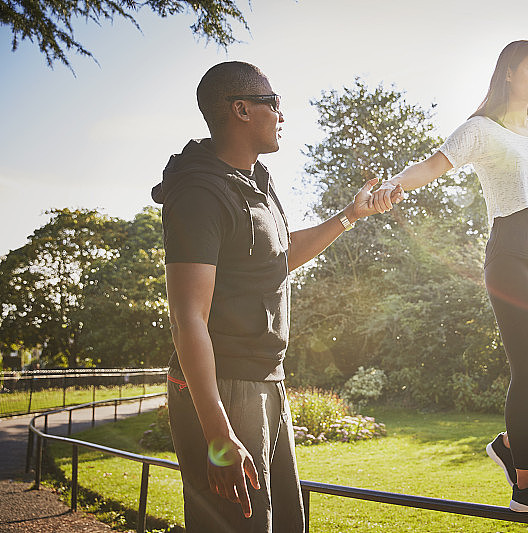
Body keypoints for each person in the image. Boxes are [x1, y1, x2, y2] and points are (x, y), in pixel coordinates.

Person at [151, 61, 402, 533]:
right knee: (239, 524)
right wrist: (219, 435)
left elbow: (279, 257)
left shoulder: (257, 182)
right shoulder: (199, 193)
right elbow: (189, 319)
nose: (283, 113)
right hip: (225, 385)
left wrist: (350, 215)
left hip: (267, 379)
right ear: (241, 110)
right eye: (274, 102)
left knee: (284, 522)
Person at [371, 40, 528, 517]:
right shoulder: (482, 130)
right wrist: (394, 184)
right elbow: (435, 165)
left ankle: (507, 443)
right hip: (508, 255)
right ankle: (525, 486)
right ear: (509, 73)